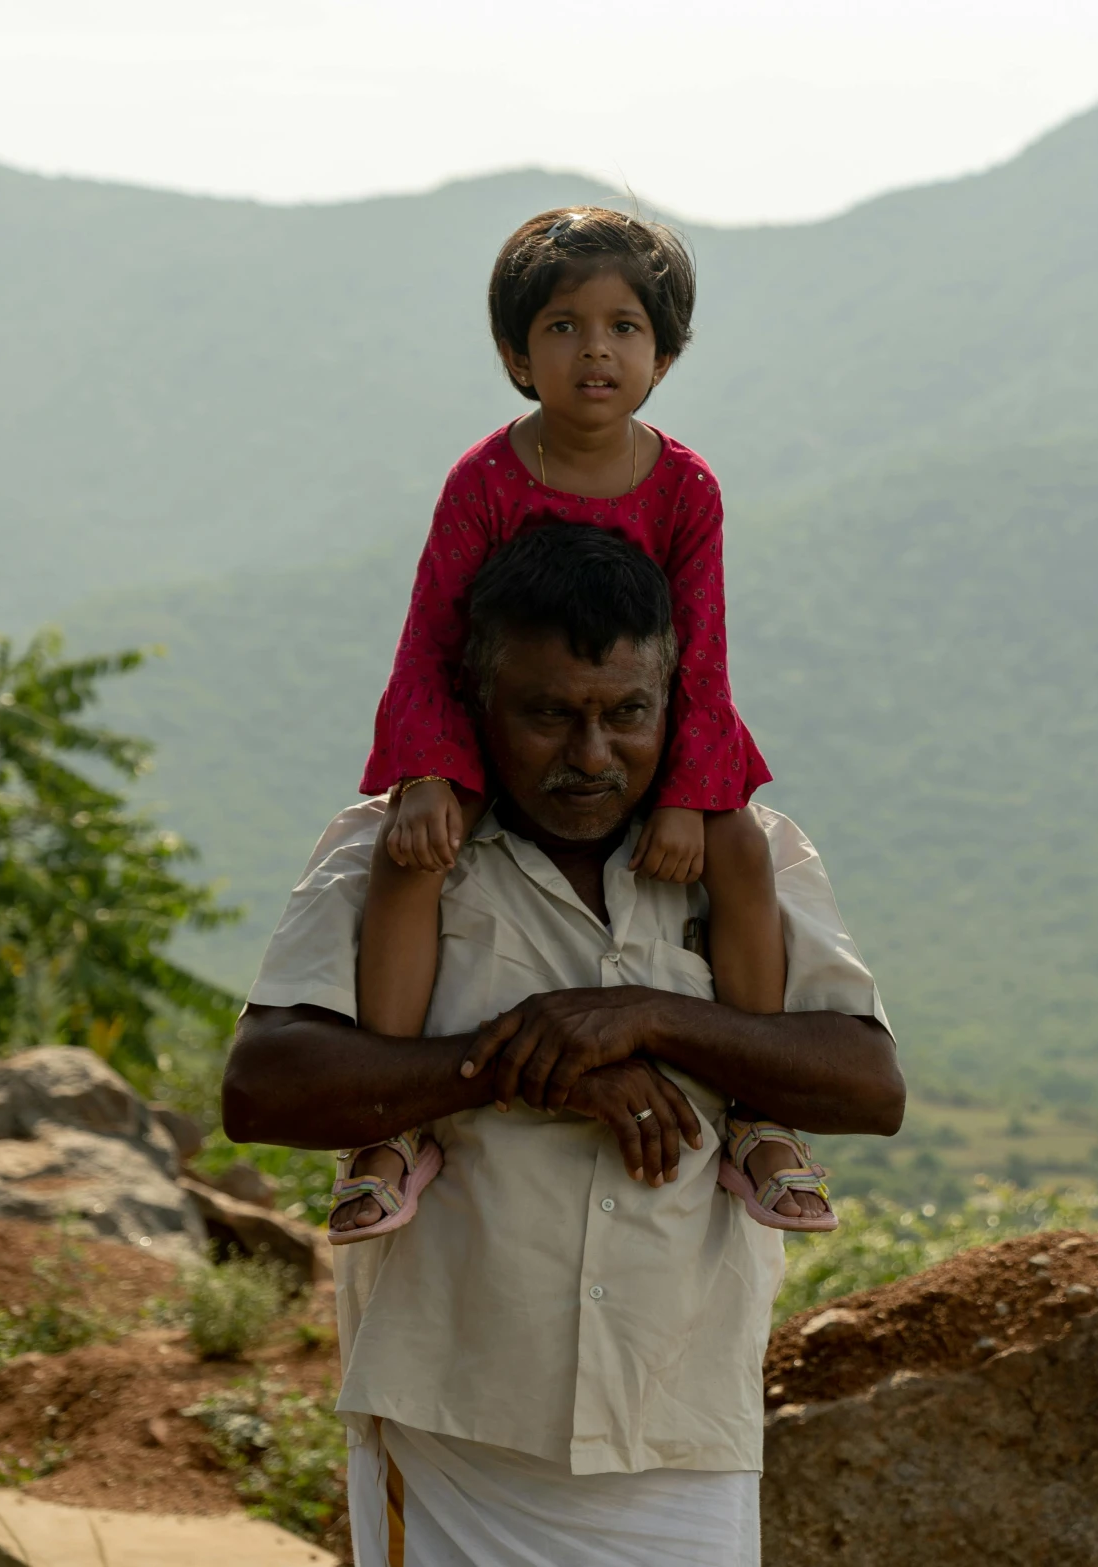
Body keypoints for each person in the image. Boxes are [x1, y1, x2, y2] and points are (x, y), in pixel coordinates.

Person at [224, 523, 903, 1566]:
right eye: (549, 716)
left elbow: (867, 1083)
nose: (593, 756)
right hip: (451, 1422)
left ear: (672, 701)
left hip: (677, 1420)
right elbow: (264, 1087)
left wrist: (651, 1015)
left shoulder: (746, 854)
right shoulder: (392, 848)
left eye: (627, 713)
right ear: (480, 702)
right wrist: (514, 1060)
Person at [335, 205, 832, 1240]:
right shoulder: (484, 480)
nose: (595, 349)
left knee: (743, 850)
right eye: (562, 326)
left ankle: (760, 1116)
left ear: (664, 351)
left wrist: (695, 800)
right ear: (518, 354)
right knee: (405, 857)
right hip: (496, 735)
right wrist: (426, 776)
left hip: (645, 734)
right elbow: (432, 634)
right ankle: (389, 1125)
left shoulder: (685, 485)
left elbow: (701, 651)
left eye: (623, 326)